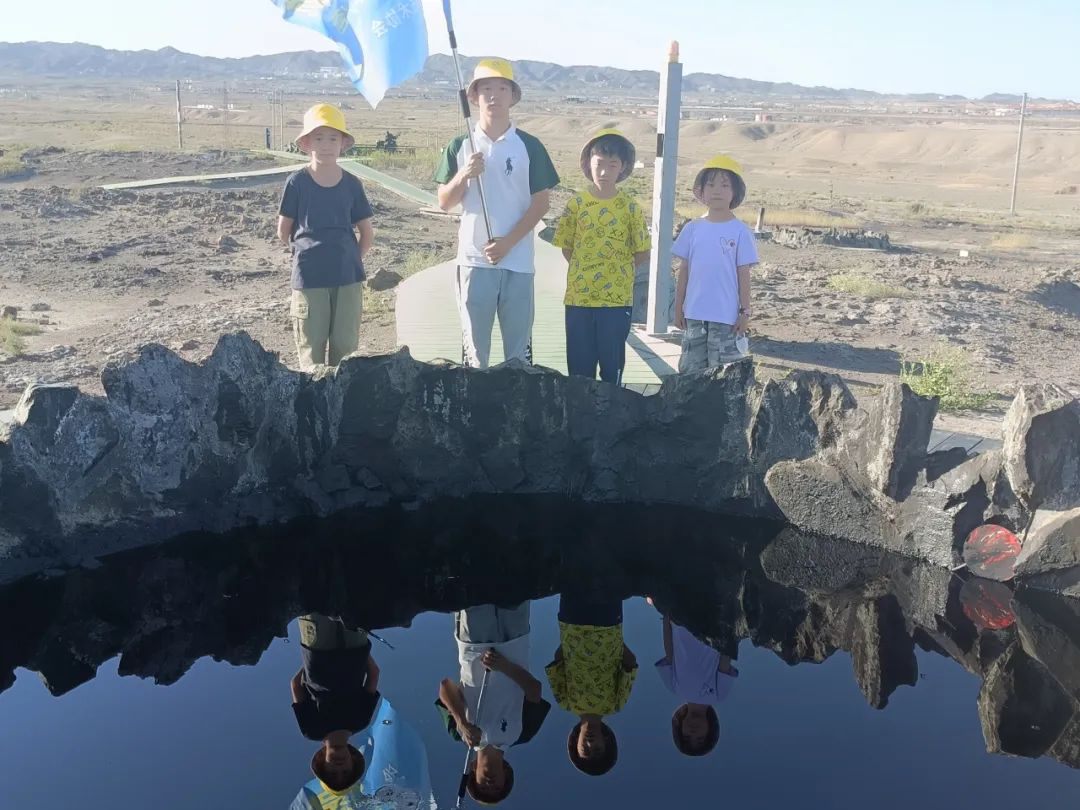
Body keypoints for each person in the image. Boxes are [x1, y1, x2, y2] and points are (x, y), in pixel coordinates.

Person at [434, 58, 560, 369]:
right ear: (474, 97)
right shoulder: (460, 145)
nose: (494, 95)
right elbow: (444, 202)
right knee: (475, 358)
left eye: (502, 88)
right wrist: (464, 175)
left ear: (513, 96)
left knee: (518, 358)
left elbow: (541, 203)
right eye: (486, 88)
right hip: (474, 262)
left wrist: (508, 243)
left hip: (518, 263)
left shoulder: (529, 146)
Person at [278, 103, 374, 370]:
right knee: (312, 351)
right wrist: (305, 257)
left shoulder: (352, 184)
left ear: (343, 143)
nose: (326, 145)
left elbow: (367, 233)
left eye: (333, 138)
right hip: (310, 279)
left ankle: (340, 398)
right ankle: (312, 398)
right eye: (319, 138)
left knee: (346, 350)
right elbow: (283, 231)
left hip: (348, 278)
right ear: (306, 143)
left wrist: (350, 259)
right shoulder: (296, 183)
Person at [553, 129, 651, 383]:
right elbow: (567, 246)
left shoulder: (630, 207)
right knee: (579, 369)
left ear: (623, 167)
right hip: (579, 298)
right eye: (599, 164)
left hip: (616, 301)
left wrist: (617, 271)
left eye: (612, 165)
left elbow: (642, 250)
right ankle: (581, 408)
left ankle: (611, 407)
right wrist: (586, 268)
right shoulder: (576, 205)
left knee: (612, 365)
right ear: (589, 164)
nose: (605, 172)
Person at [436, 602, 550, 805]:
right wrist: (504, 666)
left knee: (473, 592)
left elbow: (446, 686)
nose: (489, 784)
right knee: (516, 590)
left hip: (474, 644)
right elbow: (534, 690)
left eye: (482, 787)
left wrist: (462, 722)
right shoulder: (522, 734)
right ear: (506, 773)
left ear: (473, 771)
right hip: (515, 640)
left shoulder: (459, 733)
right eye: (497, 787)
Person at [671, 155, 758, 371]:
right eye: (710, 185)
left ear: (735, 192)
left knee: (723, 373)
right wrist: (678, 308)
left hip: (726, 317)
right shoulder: (692, 229)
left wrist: (745, 312)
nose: (717, 191)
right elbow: (684, 271)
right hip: (694, 315)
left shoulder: (741, 232)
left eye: (725, 185)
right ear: (701, 191)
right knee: (691, 373)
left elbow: (743, 275)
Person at [545, 590, 637, 776]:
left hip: (572, 623)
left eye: (585, 749)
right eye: (597, 749)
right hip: (607, 624)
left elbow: (557, 661)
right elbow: (630, 664)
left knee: (571, 579)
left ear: (575, 743)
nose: (590, 743)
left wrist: (573, 640)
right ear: (606, 741)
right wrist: (614, 640)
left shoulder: (565, 702)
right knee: (609, 578)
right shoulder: (615, 704)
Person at [290, 614, 380, 797]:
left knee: (314, 603)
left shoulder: (311, 729)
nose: (339, 767)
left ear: (321, 761)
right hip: (355, 649)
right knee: (356, 603)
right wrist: (363, 653)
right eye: (345, 771)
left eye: (332, 772)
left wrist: (309, 664)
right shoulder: (361, 721)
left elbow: (296, 686)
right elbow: (373, 675)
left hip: (317, 649)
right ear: (353, 759)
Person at [655, 613, 738, 757]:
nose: (693, 732)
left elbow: (669, 651)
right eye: (700, 738)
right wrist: (732, 621)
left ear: (680, 728)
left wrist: (666, 618)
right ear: (710, 729)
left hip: (681, 619)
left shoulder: (674, 687)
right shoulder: (718, 695)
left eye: (687, 737)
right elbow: (726, 656)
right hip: (712, 621)